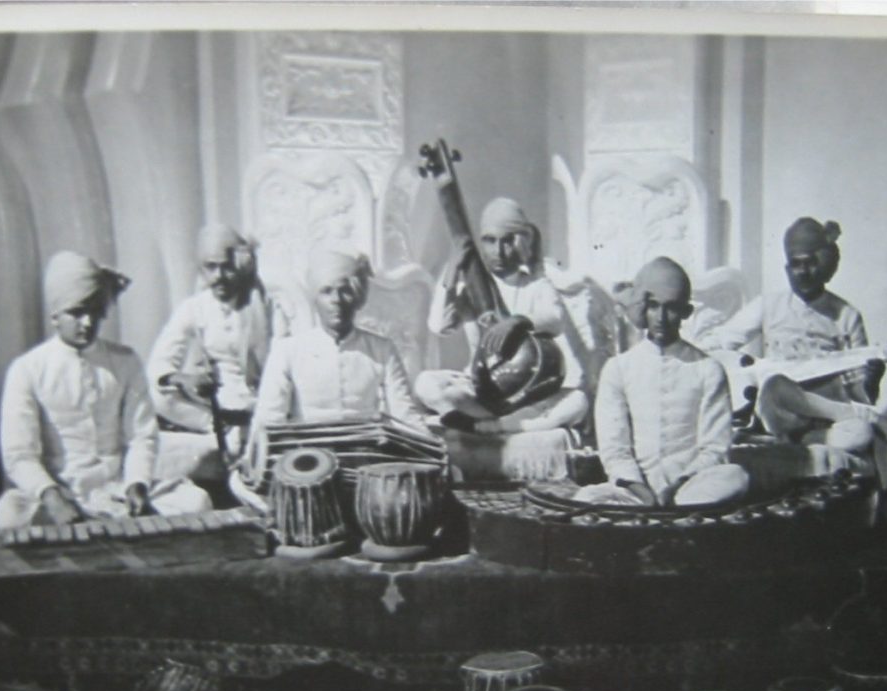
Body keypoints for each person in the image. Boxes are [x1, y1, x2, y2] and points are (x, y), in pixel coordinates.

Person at [0, 251, 211, 530]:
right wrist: (52, 496)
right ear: (55, 315)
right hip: (61, 491)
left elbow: (142, 436)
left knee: (196, 502)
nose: (87, 323)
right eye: (77, 312)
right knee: (9, 515)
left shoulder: (125, 361)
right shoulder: (27, 370)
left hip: (117, 488)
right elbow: (19, 454)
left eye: (94, 312)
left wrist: (137, 485)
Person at [698, 217, 887, 454]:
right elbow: (718, 343)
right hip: (778, 410)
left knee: (860, 434)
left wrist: (872, 380)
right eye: (795, 264)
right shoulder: (769, 305)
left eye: (809, 263)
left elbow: (861, 395)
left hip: (825, 418)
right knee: (775, 385)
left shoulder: (846, 316)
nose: (802, 272)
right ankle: (853, 422)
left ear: (825, 266)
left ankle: (802, 440)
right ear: (787, 268)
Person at [576, 257, 748, 508]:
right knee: (587, 497)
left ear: (686, 312)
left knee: (736, 477)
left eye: (672, 308)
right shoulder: (618, 368)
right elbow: (615, 450)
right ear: (642, 308)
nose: (662, 318)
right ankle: (665, 512)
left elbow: (715, 450)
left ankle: (673, 509)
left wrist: (676, 487)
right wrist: (641, 490)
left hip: (691, 487)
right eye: (654, 306)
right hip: (634, 491)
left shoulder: (708, 369)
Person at [413, 197, 590, 434]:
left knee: (578, 400)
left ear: (520, 242)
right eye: (490, 241)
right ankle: (505, 424)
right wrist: (451, 274)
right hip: (481, 387)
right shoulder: (474, 287)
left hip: (528, 390)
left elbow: (556, 319)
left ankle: (484, 426)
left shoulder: (535, 285)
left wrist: (518, 322)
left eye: (507, 241)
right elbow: (438, 326)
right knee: (425, 383)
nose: (498, 251)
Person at [249, 250, 428, 431]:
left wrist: (433, 450)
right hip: (309, 451)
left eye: (346, 291)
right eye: (326, 292)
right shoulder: (287, 351)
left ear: (358, 298)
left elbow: (404, 414)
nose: (336, 300)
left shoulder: (382, 349)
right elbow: (268, 419)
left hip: (365, 451)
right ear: (315, 300)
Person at [148, 224, 281, 439]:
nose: (219, 276)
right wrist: (182, 378)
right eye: (210, 267)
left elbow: (282, 364)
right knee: (157, 395)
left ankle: (249, 428)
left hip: (261, 399)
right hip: (216, 403)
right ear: (201, 269)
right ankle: (217, 428)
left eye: (226, 267)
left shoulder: (266, 306)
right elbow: (159, 362)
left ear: (240, 266)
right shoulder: (194, 308)